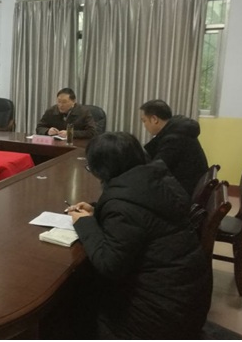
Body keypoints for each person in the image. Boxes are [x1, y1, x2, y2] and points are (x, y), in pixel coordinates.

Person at [66, 132, 211, 339]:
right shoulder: (157, 180)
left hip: (156, 318)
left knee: (75, 303)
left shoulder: (124, 206)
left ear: (104, 169)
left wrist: (84, 223)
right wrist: (97, 210)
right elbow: (144, 217)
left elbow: (109, 264)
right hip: (185, 299)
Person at [140, 99, 208, 197]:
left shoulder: (175, 139)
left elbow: (155, 169)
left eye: (144, 121)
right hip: (187, 186)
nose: (144, 125)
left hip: (183, 193)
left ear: (154, 119)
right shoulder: (177, 130)